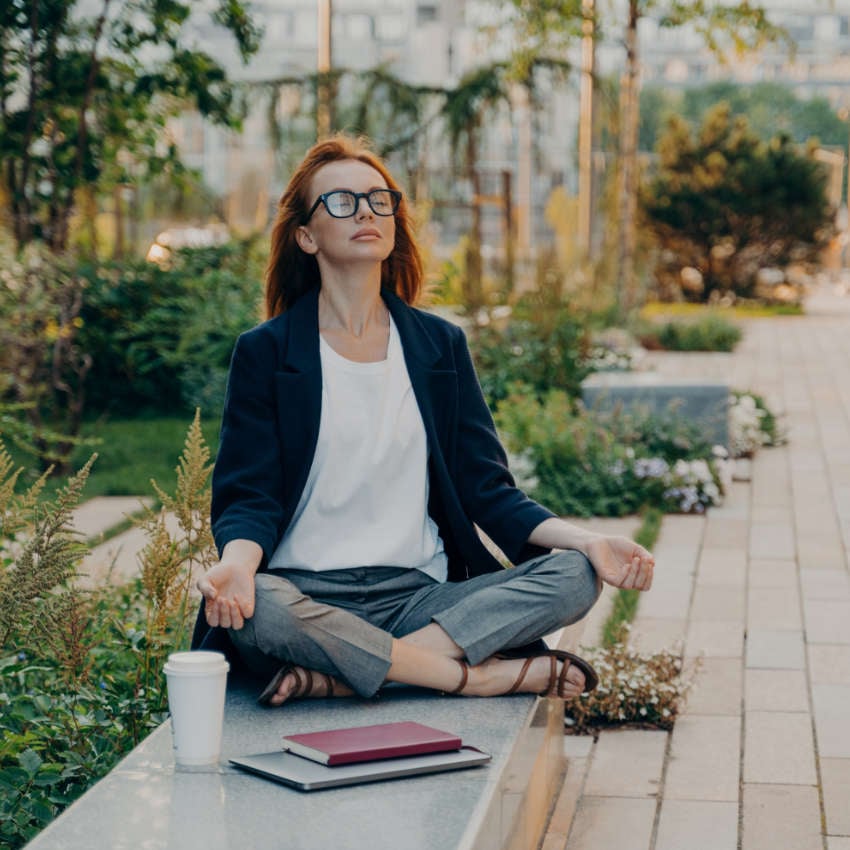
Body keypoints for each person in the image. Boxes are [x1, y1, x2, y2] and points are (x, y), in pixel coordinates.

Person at [193, 135, 654, 707]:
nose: (365, 210)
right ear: (305, 236)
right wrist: (237, 567)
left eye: (378, 199)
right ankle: (466, 676)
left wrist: (589, 540)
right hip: (305, 597)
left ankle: (347, 674)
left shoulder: (439, 345)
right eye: (340, 201)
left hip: (417, 597)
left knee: (576, 576)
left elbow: (487, 490)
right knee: (261, 609)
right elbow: (248, 495)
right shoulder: (267, 352)